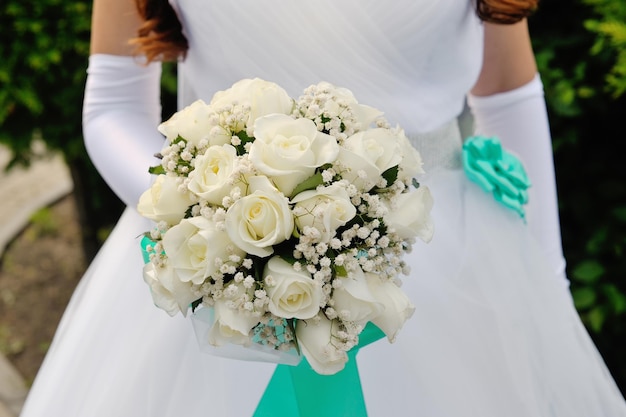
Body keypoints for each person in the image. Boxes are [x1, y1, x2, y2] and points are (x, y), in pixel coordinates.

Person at [19, 0, 626, 415]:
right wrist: (206, 219)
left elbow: (508, 91)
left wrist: (546, 280)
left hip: (447, 262)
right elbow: (113, 105)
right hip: (215, 270)